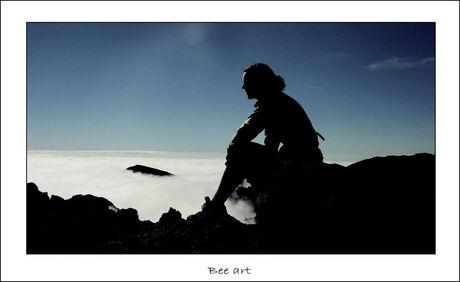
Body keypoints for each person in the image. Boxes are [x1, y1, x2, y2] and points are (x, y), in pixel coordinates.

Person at [189, 63, 323, 221]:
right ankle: (261, 205)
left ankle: (216, 207)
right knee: (244, 154)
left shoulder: (271, 104)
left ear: (259, 83)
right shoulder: (277, 100)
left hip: (300, 164)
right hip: (302, 161)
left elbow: (241, 138)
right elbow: (271, 147)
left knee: (242, 151)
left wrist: (235, 158)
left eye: (247, 82)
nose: (243, 87)